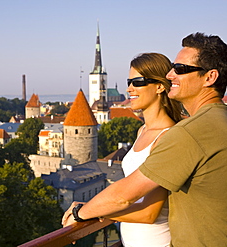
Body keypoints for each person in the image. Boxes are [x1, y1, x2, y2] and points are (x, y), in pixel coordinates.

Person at [62, 32, 227, 246]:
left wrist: (81, 212)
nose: (170, 75)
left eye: (180, 69)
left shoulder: (190, 131)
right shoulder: (221, 119)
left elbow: (125, 196)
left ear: (210, 77)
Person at [63, 53, 183, 246]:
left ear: (160, 86)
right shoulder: (142, 130)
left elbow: (149, 212)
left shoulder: (168, 137)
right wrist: (98, 209)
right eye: (129, 82)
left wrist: (89, 212)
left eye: (137, 82)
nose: (129, 89)